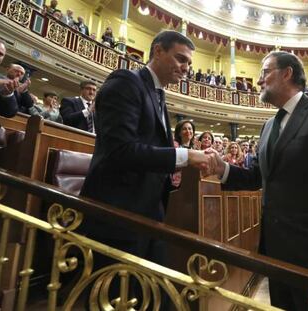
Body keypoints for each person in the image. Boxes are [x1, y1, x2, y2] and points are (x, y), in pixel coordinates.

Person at [206, 51, 308, 311]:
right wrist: (223, 168)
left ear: (287, 73)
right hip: (276, 255)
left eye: (264, 72)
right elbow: (258, 177)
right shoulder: (268, 125)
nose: (258, 81)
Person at [80, 31, 209, 301]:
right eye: (181, 59)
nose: (186, 68)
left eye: (189, 63)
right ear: (158, 51)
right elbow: (121, 151)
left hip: (149, 213)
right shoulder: (126, 82)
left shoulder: (159, 95)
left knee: (153, 297)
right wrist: (185, 156)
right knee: (114, 298)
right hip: (117, 213)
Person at [0, 39, 18, 118]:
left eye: (1, 54)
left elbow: (10, 113)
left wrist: (7, 94)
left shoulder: (4, 83)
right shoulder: (3, 81)